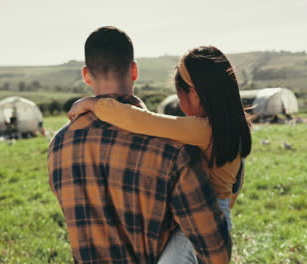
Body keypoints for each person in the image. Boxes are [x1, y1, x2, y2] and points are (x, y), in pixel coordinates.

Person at [48, 27, 230, 264]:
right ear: (134, 70)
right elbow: (215, 252)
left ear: (86, 75)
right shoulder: (175, 150)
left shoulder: (59, 146)